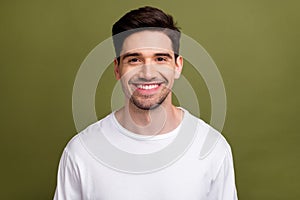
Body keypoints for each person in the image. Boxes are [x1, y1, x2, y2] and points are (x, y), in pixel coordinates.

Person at [54, 6, 238, 200]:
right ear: (117, 69)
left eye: (160, 58)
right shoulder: (81, 152)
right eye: (134, 59)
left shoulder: (213, 148)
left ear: (177, 66)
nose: (148, 74)